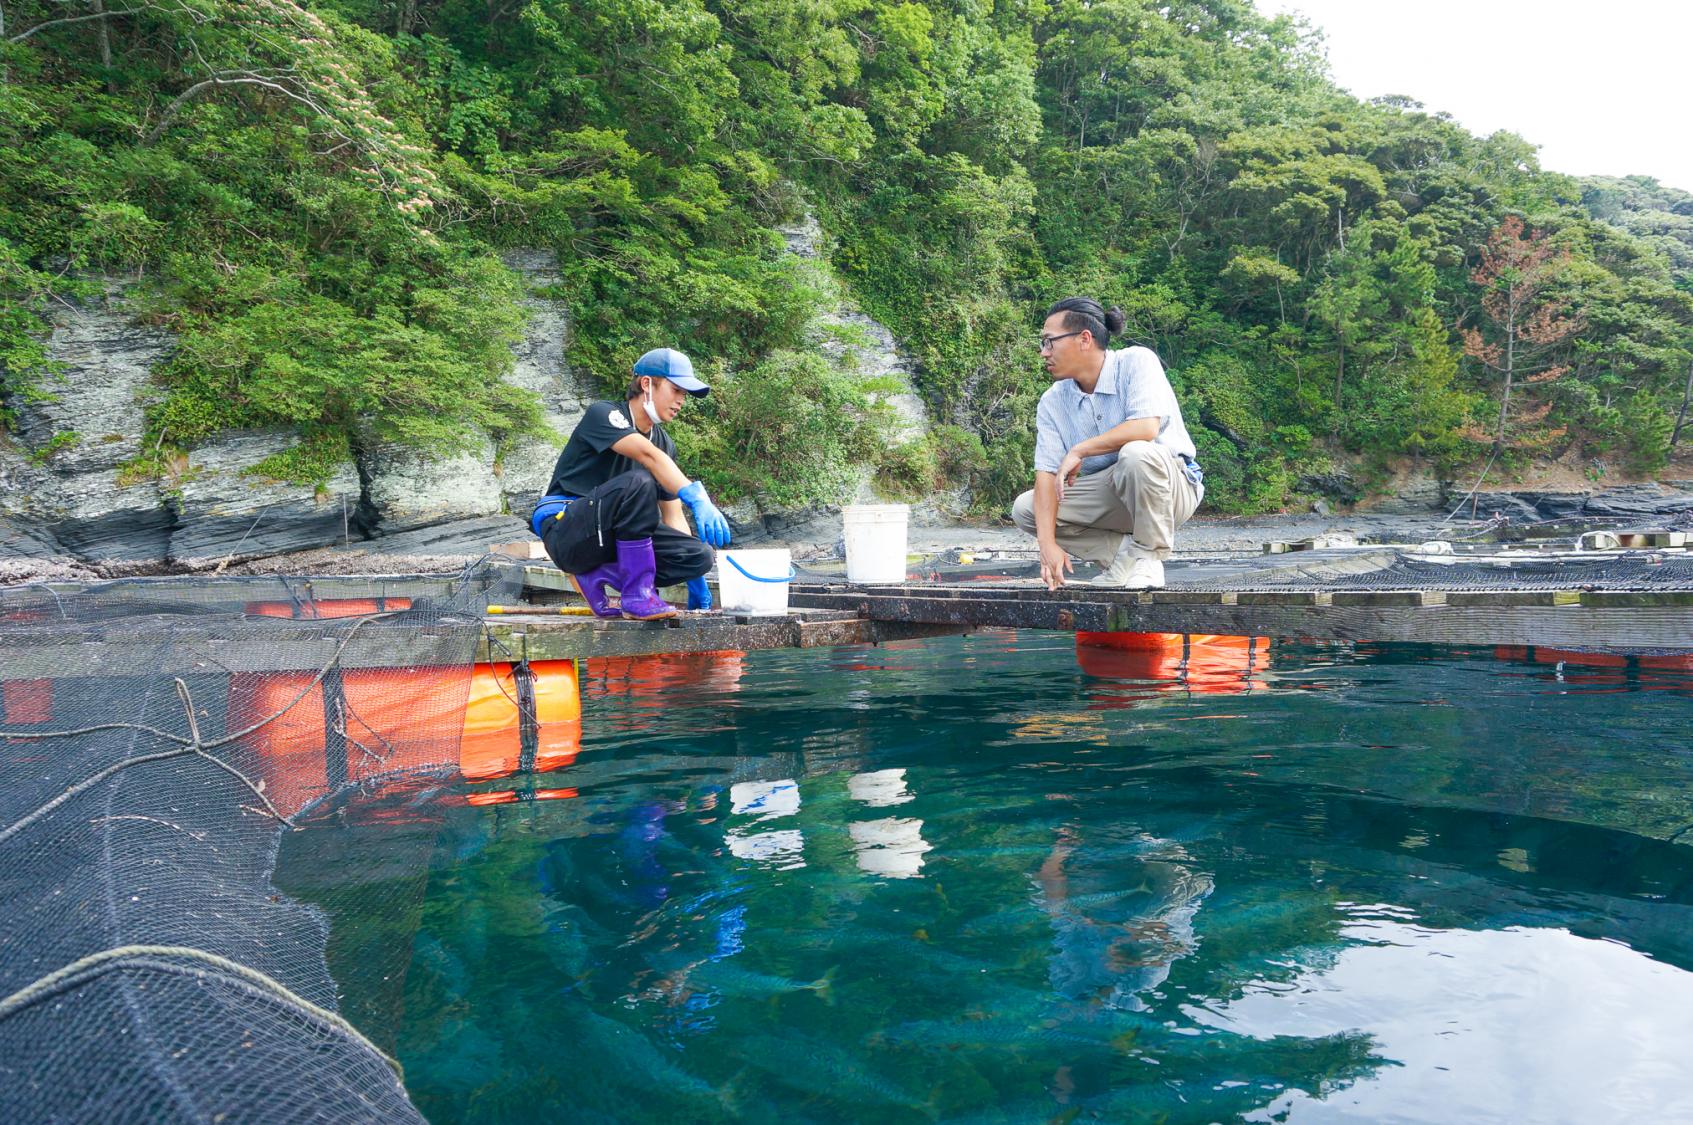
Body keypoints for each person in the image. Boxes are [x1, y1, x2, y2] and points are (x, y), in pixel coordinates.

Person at [1012, 298, 1204, 590]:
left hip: (1171, 487)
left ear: (1084, 339)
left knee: (1136, 453)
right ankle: (1122, 558)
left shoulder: (1136, 361)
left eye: (1049, 342)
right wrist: (1047, 544)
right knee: (1026, 508)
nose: (1043, 353)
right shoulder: (1052, 401)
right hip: (1114, 494)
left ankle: (1150, 559)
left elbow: (1146, 427)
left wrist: (1079, 450)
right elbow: (1046, 474)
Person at [530, 348, 732, 620]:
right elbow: (647, 456)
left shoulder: (664, 445)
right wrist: (695, 495)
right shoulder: (604, 414)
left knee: (698, 555)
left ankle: (603, 577)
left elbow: (673, 516)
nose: (681, 400)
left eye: (685, 394)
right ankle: (636, 595)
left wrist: (696, 578)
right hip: (566, 530)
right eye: (676, 390)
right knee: (639, 482)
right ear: (646, 383)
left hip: (611, 540)